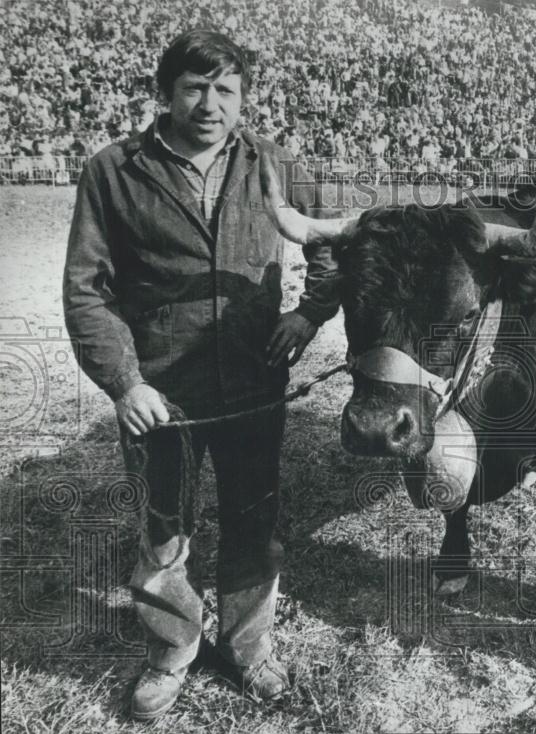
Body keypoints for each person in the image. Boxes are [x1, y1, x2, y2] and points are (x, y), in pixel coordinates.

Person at [63, 30, 340, 721]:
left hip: (254, 383)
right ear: (166, 92)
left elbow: (333, 248)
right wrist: (125, 382)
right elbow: (86, 290)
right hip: (162, 395)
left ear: (243, 97)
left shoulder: (274, 164)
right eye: (194, 87)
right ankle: (172, 650)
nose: (210, 104)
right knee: (163, 529)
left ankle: (248, 649)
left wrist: (307, 316)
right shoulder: (114, 171)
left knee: (255, 518)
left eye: (226, 90)